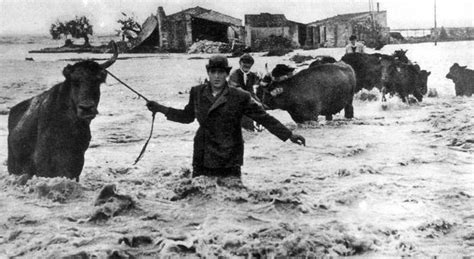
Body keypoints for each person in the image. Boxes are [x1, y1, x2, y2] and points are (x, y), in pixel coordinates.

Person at [146, 55, 305, 178]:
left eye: (221, 72)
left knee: (233, 195)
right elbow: (186, 117)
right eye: (213, 72)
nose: (217, 76)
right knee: (199, 193)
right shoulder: (197, 92)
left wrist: (289, 134)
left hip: (230, 151)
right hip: (203, 150)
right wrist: (160, 108)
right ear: (208, 73)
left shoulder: (240, 96)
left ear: (227, 74)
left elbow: (263, 117)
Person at [228, 53, 262, 131]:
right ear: (240, 63)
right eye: (244, 63)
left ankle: (259, 125)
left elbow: (256, 86)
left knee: (260, 106)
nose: (247, 66)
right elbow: (236, 89)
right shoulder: (234, 74)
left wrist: (260, 80)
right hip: (236, 98)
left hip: (248, 97)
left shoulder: (252, 75)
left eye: (249, 64)